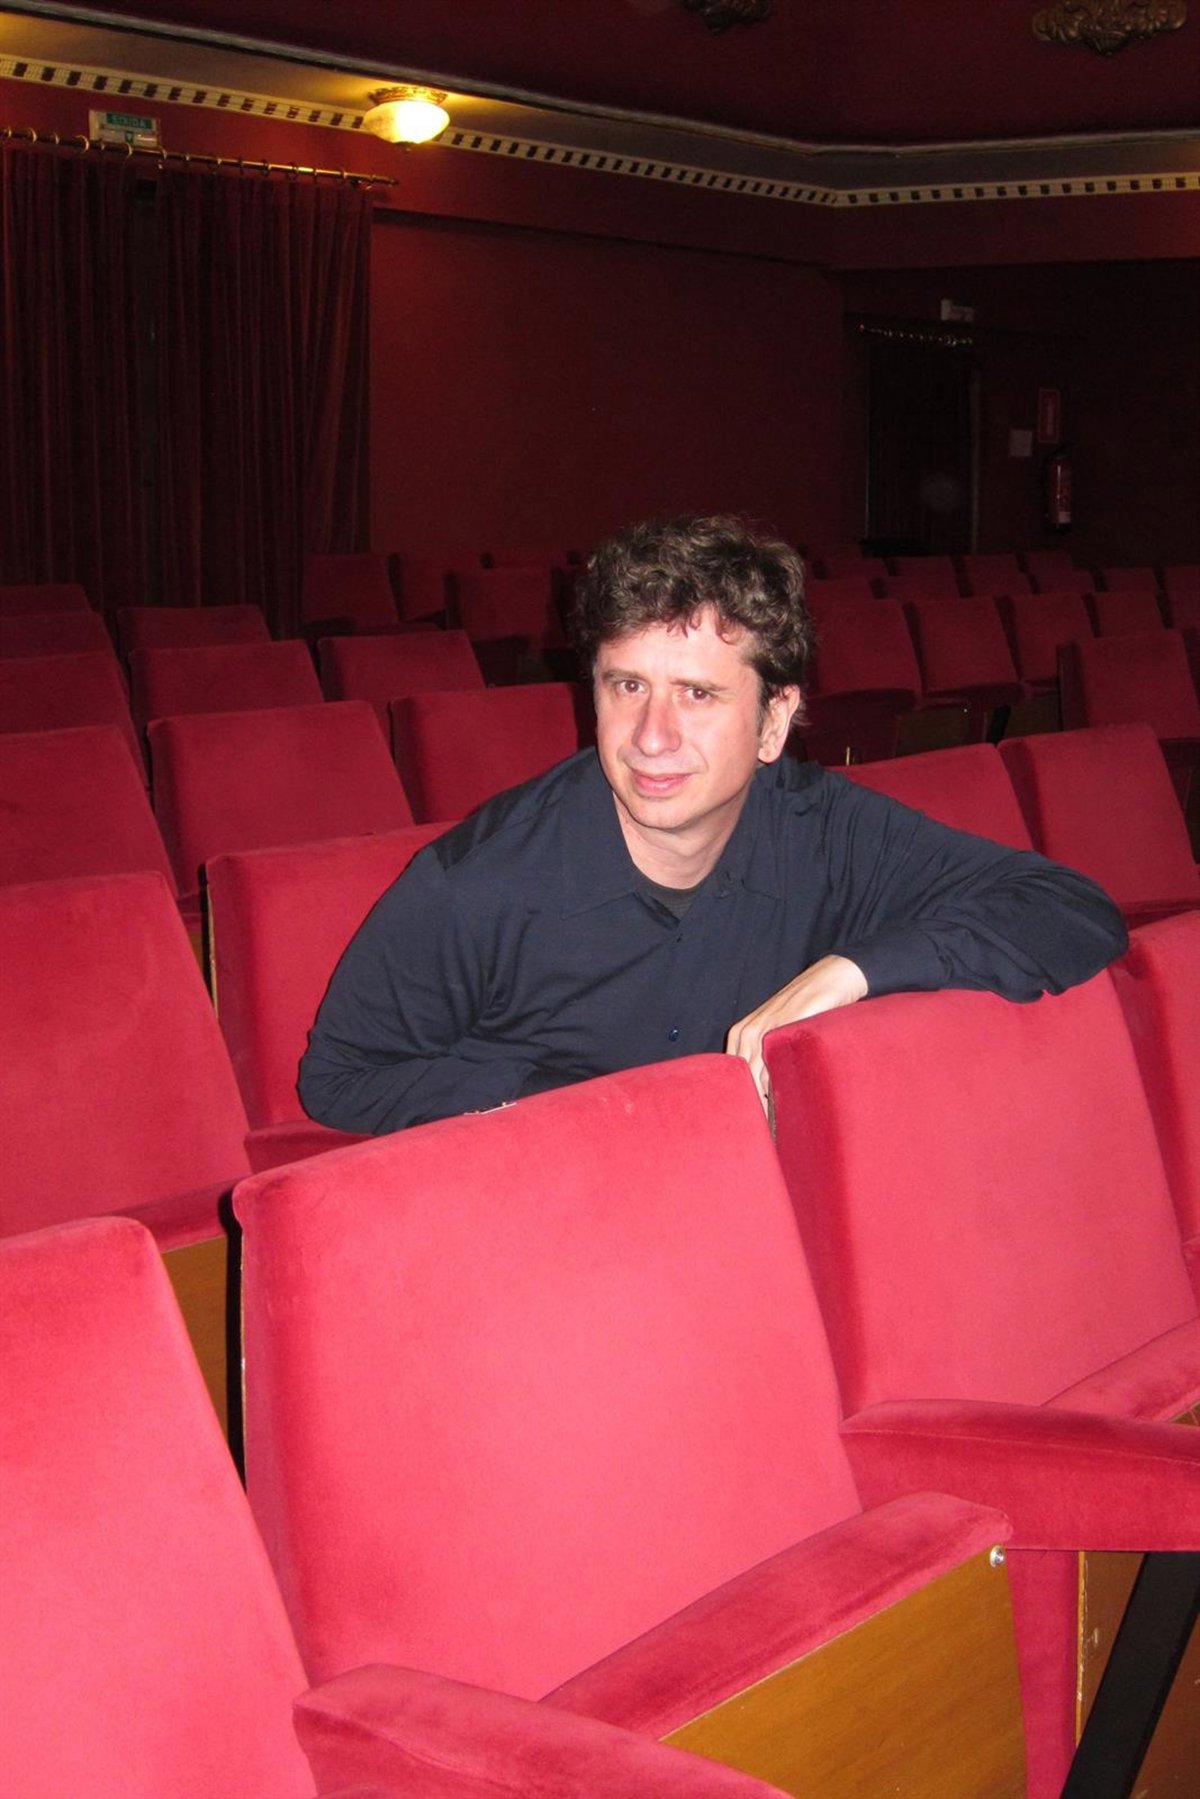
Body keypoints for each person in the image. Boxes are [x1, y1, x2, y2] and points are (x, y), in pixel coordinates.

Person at [299, 514, 1126, 1133]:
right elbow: (339, 1077)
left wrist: (850, 972)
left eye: (697, 694)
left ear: (774, 721)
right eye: (627, 686)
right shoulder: (477, 884)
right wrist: (554, 1098)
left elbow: (1070, 908)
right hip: (552, 1202)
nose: (651, 736)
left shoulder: (823, 832)